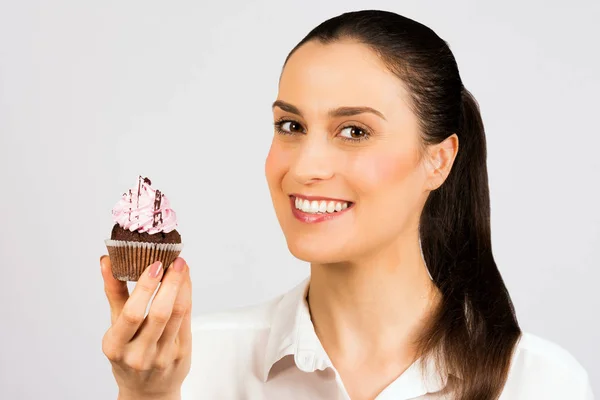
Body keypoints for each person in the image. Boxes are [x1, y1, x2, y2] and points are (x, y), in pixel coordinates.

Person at [99, 10, 594, 400]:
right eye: (291, 126)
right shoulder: (191, 367)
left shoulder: (541, 385)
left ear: (438, 161)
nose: (306, 167)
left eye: (354, 131)